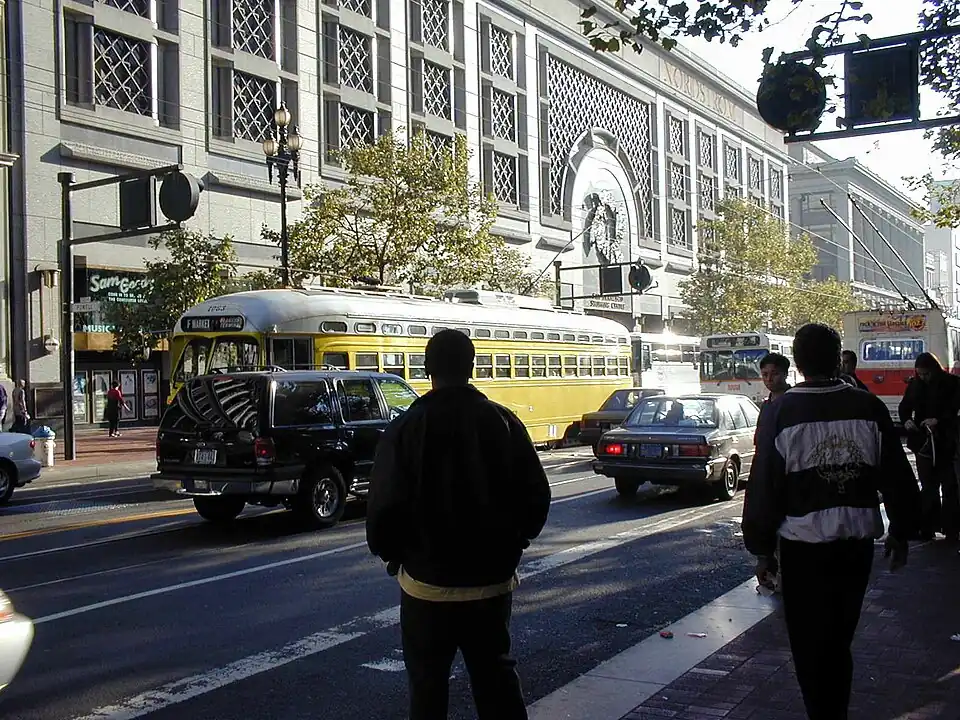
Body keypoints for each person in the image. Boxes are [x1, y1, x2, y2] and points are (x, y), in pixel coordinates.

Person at [366, 329, 552, 720]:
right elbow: (536, 499)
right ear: (472, 367)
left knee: (427, 687)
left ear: (426, 368)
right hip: (491, 583)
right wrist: (514, 543)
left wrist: (396, 557)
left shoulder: (404, 430)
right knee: (496, 678)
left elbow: (382, 511)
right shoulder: (504, 422)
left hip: (425, 587)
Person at [743, 323, 920, 720]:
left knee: (809, 643)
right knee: (839, 638)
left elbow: (764, 487)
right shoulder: (868, 407)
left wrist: (761, 550)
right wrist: (902, 533)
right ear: (836, 357)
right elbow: (897, 476)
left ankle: (822, 713)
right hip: (855, 547)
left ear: (799, 363)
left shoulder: (781, 412)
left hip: (802, 548)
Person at [899, 352, 960, 542]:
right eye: (920, 374)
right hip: (923, 441)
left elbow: (955, 409)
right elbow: (904, 407)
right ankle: (929, 526)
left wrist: (939, 421)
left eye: (926, 374)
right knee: (928, 486)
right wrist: (907, 420)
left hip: (946, 440)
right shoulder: (915, 386)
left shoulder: (952, 384)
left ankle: (951, 527)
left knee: (949, 485)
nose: (924, 378)